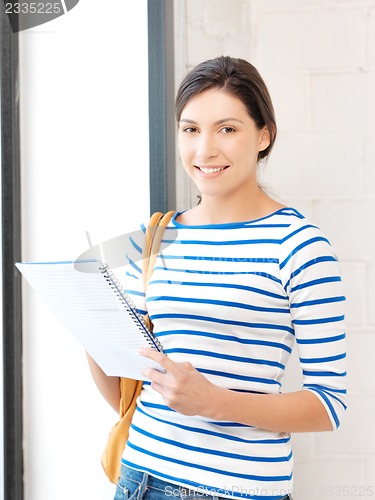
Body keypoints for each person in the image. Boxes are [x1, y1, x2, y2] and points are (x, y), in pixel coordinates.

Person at [87, 56, 347, 500]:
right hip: (141, 477)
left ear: (263, 135)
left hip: (240, 490)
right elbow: (128, 382)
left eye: (227, 129)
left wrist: (214, 402)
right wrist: (92, 327)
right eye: (190, 129)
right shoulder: (157, 237)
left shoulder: (300, 246)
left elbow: (329, 405)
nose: (204, 150)